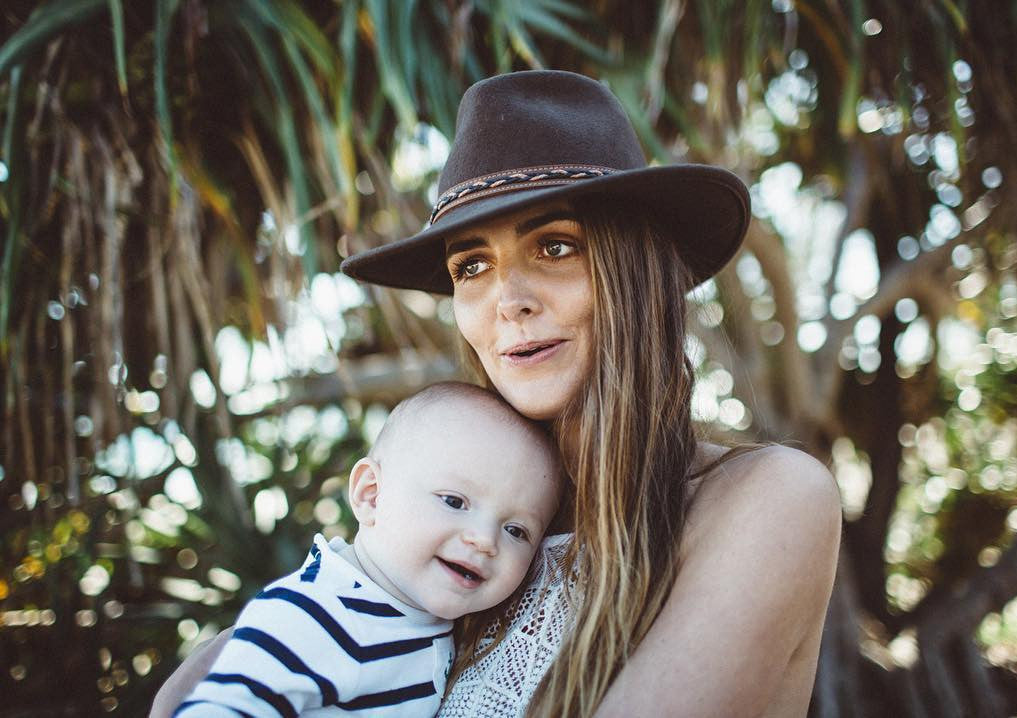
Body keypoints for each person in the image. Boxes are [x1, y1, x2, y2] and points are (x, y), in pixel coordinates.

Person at [153, 70, 842, 718]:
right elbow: (186, 697)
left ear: (640, 272)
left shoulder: (767, 498)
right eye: (472, 266)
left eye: (556, 247)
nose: (507, 301)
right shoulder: (456, 530)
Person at [172, 383, 563, 716]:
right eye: (454, 502)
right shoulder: (316, 612)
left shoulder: (419, 620)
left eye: (516, 530)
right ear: (371, 495)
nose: (485, 539)